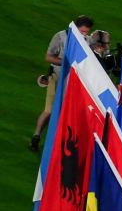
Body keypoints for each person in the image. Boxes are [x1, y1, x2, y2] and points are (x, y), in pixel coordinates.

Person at [31, 15, 93, 151]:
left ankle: (61, 145)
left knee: (70, 113)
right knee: (50, 110)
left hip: (76, 81)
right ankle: (36, 136)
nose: (84, 34)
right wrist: (67, 62)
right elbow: (48, 57)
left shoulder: (87, 40)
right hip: (58, 77)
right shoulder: (60, 37)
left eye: (86, 32)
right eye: (82, 31)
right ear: (75, 27)